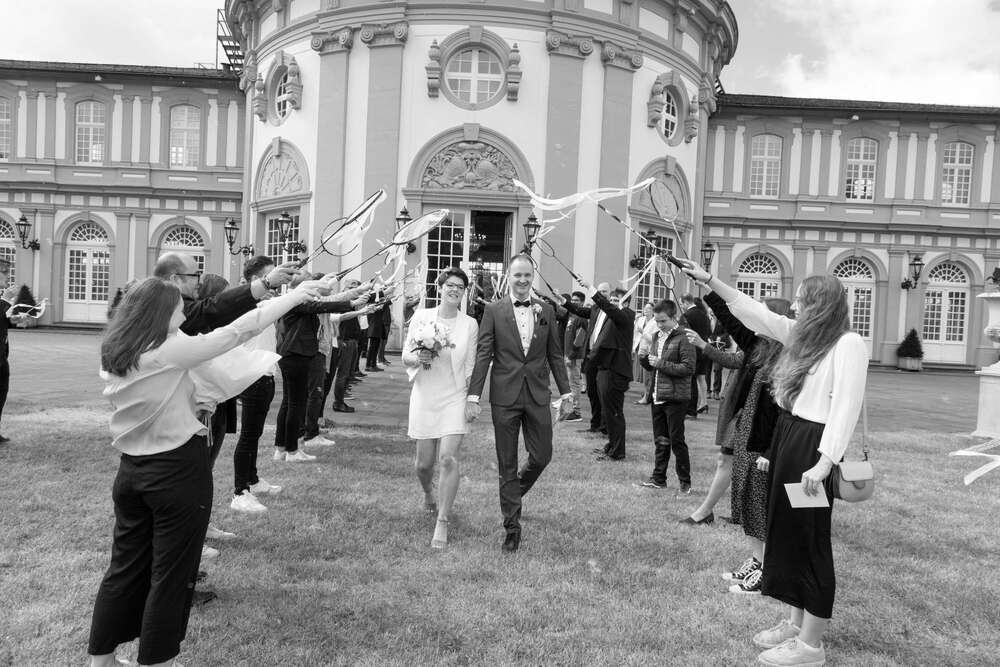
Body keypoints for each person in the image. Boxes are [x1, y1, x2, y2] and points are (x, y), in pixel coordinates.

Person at [87, 274, 328, 667]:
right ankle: (158, 662)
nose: (186, 312)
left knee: (124, 568)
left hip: (131, 472)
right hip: (175, 472)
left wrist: (193, 401)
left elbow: (159, 395)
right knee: (172, 572)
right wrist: (295, 296)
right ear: (159, 314)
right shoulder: (168, 349)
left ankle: (102, 661)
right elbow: (239, 330)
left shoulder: (118, 348)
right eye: (178, 306)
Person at [680, 260, 868, 667]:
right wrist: (710, 280)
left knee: (810, 541)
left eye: (801, 300)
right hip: (788, 436)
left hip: (812, 448)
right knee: (787, 536)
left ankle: (811, 645)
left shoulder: (848, 344)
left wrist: (824, 463)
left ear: (820, 304)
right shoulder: (804, 337)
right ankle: (796, 624)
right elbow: (755, 312)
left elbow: (846, 409)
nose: (794, 306)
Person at [680, 292, 790, 602]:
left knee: (759, 504)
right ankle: (756, 560)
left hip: (763, 440)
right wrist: (709, 290)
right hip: (746, 432)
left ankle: (767, 571)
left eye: (763, 314)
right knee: (744, 501)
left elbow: (785, 412)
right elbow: (733, 322)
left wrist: (770, 451)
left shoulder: (787, 357)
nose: (756, 319)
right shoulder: (758, 347)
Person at [467, 254, 572, 553]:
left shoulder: (546, 310)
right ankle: (511, 527)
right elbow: (484, 353)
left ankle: (514, 493)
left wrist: (566, 393)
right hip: (505, 396)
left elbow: (554, 355)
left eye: (527, 275)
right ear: (509, 277)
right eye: (517, 275)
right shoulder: (493, 311)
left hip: (537, 394)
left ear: (532, 276)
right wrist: (473, 396)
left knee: (542, 456)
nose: (523, 280)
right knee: (507, 462)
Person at [402, 267, 479, 549]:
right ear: (440, 287)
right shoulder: (422, 317)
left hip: (454, 396)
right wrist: (418, 357)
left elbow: (470, 365)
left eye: (460, 286)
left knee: (448, 459)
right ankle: (428, 492)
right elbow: (405, 356)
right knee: (423, 465)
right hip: (425, 394)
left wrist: (472, 399)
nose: (455, 290)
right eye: (450, 285)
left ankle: (442, 521)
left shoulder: (470, 324)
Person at [273, 273, 371, 462]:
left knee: (288, 403)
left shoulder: (293, 300)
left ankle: (281, 448)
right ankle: (292, 451)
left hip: (290, 355)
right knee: (295, 404)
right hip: (297, 355)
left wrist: (355, 295)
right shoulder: (298, 301)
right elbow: (322, 305)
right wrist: (353, 302)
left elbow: (324, 302)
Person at [230, 256, 285, 514]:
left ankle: (252, 479)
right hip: (252, 376)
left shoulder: (264, 302)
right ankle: (240, 492)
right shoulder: (248, 305)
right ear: (255, 280)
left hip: (266, 374)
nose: (276, 283)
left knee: (255, 433)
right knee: (249, 435)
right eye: (270, 277)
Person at [568, 281, 634, 462]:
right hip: (606, 368)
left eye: (616, 300)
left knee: (614, 412)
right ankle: (611, 446)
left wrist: (591, 288)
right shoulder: (612, 316)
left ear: (626, 302)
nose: (612, 303)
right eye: (611, 299)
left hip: (616, 370)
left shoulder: (626, 315)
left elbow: (610, 310)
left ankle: (617, 451)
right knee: (608, 411)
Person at [638, 300, 695, 491]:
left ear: (674, 317)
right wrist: (644, 358)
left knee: (677, 441)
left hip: (676, 398)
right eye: (656, 321)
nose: (659, 325)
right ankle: (658, 478)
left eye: (663, 321)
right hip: (657, 395)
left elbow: (688, 368)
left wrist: (660, 363)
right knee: (661, 440)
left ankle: (685, 482)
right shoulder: (656, 336)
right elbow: (652, 366)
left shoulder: (685, 337)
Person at [562, 282, 611, 435]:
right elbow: (577, 310)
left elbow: (580, 337)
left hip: (603, 357)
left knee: (602, 393)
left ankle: (604, 427)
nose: (602, 293)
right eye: (600, 291)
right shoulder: (595, 309)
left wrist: (572, 354)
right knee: (592, 392)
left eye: (605, 291)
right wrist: (562, 300)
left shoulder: (612, 311)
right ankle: (595, 425)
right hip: (591, 356)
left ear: (610, 294)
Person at [681, 294, 711, 418]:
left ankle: (690, 410)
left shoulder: (687, 315)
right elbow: (709, 332)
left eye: (682, 304)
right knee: (699, 378)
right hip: (704, 350)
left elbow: (682, 333)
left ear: (686, 302)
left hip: (692, 351)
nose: (681, 306)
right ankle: (700, 404)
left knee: (691, 380)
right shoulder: (705, 315)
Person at [562, 291, 587, 422]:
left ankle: (576, 412)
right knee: (571, 384)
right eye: (572, 300)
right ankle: (571, 409)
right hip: (569, 355)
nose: (574, 302)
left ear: (582, 302)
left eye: (576, 300)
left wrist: (570, 356)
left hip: (574, 357)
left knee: (575, 385)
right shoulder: (572, 315)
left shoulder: (581, 318)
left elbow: (579, 340)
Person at [707, 318, 732, 399]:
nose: (712, 312)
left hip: (719, 348)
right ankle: (707, 391)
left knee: (718, 369)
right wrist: (707, 338)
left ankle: (716, 391)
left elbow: (727, 332)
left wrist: (720, 337)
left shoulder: (721, 319)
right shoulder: (704, 318)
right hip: (706, 347)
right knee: (707, 370)